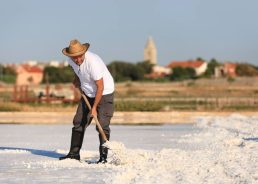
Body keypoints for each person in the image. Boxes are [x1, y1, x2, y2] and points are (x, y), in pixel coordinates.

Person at [59, 39, 115, 163]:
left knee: (102, 124)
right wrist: (77, 79)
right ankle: (74, 154)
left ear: (84, 52)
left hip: (104, 93)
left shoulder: (93, 62)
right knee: (78, 122)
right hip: (88, 92)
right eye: (75, 57)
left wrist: (94, 108)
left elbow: (100, 86)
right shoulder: (71, 60)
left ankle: (103, 158)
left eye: (80, 56)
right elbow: (77, 70)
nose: (77, 60)